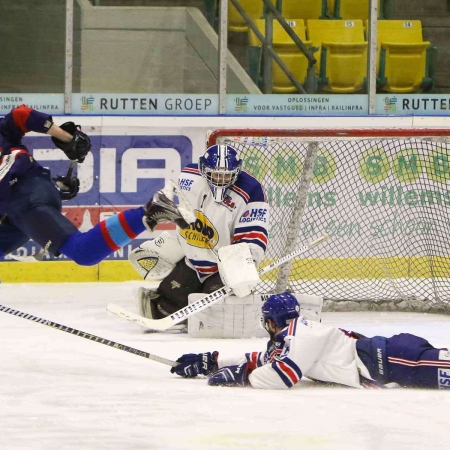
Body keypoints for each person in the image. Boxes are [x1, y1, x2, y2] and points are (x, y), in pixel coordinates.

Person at [0, 104, 191, 265]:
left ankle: (150, 211)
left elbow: (21, 115)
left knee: (84, 252)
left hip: (24, 200)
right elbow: (20, 116)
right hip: (24, 196)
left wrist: (65, 137)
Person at [170, 292, 450, 390]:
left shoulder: (299, 335)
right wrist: (214, 360)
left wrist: (243, 375)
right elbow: (265, 360)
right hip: (393, 359)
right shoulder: (292, 336)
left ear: (271, 321)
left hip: (395, 359)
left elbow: (283, 376)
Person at [129, 143, 269, 321]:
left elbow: (254, 236)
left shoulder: (251, 191)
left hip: (222, 268)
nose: (220, 180)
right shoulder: (188, 176)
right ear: (204, 170)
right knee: (162, 310)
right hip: (193, 262)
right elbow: (167, 194)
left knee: (214, 318)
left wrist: (241, 269)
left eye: (226, 176)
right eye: (215, 174)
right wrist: (164, 204)